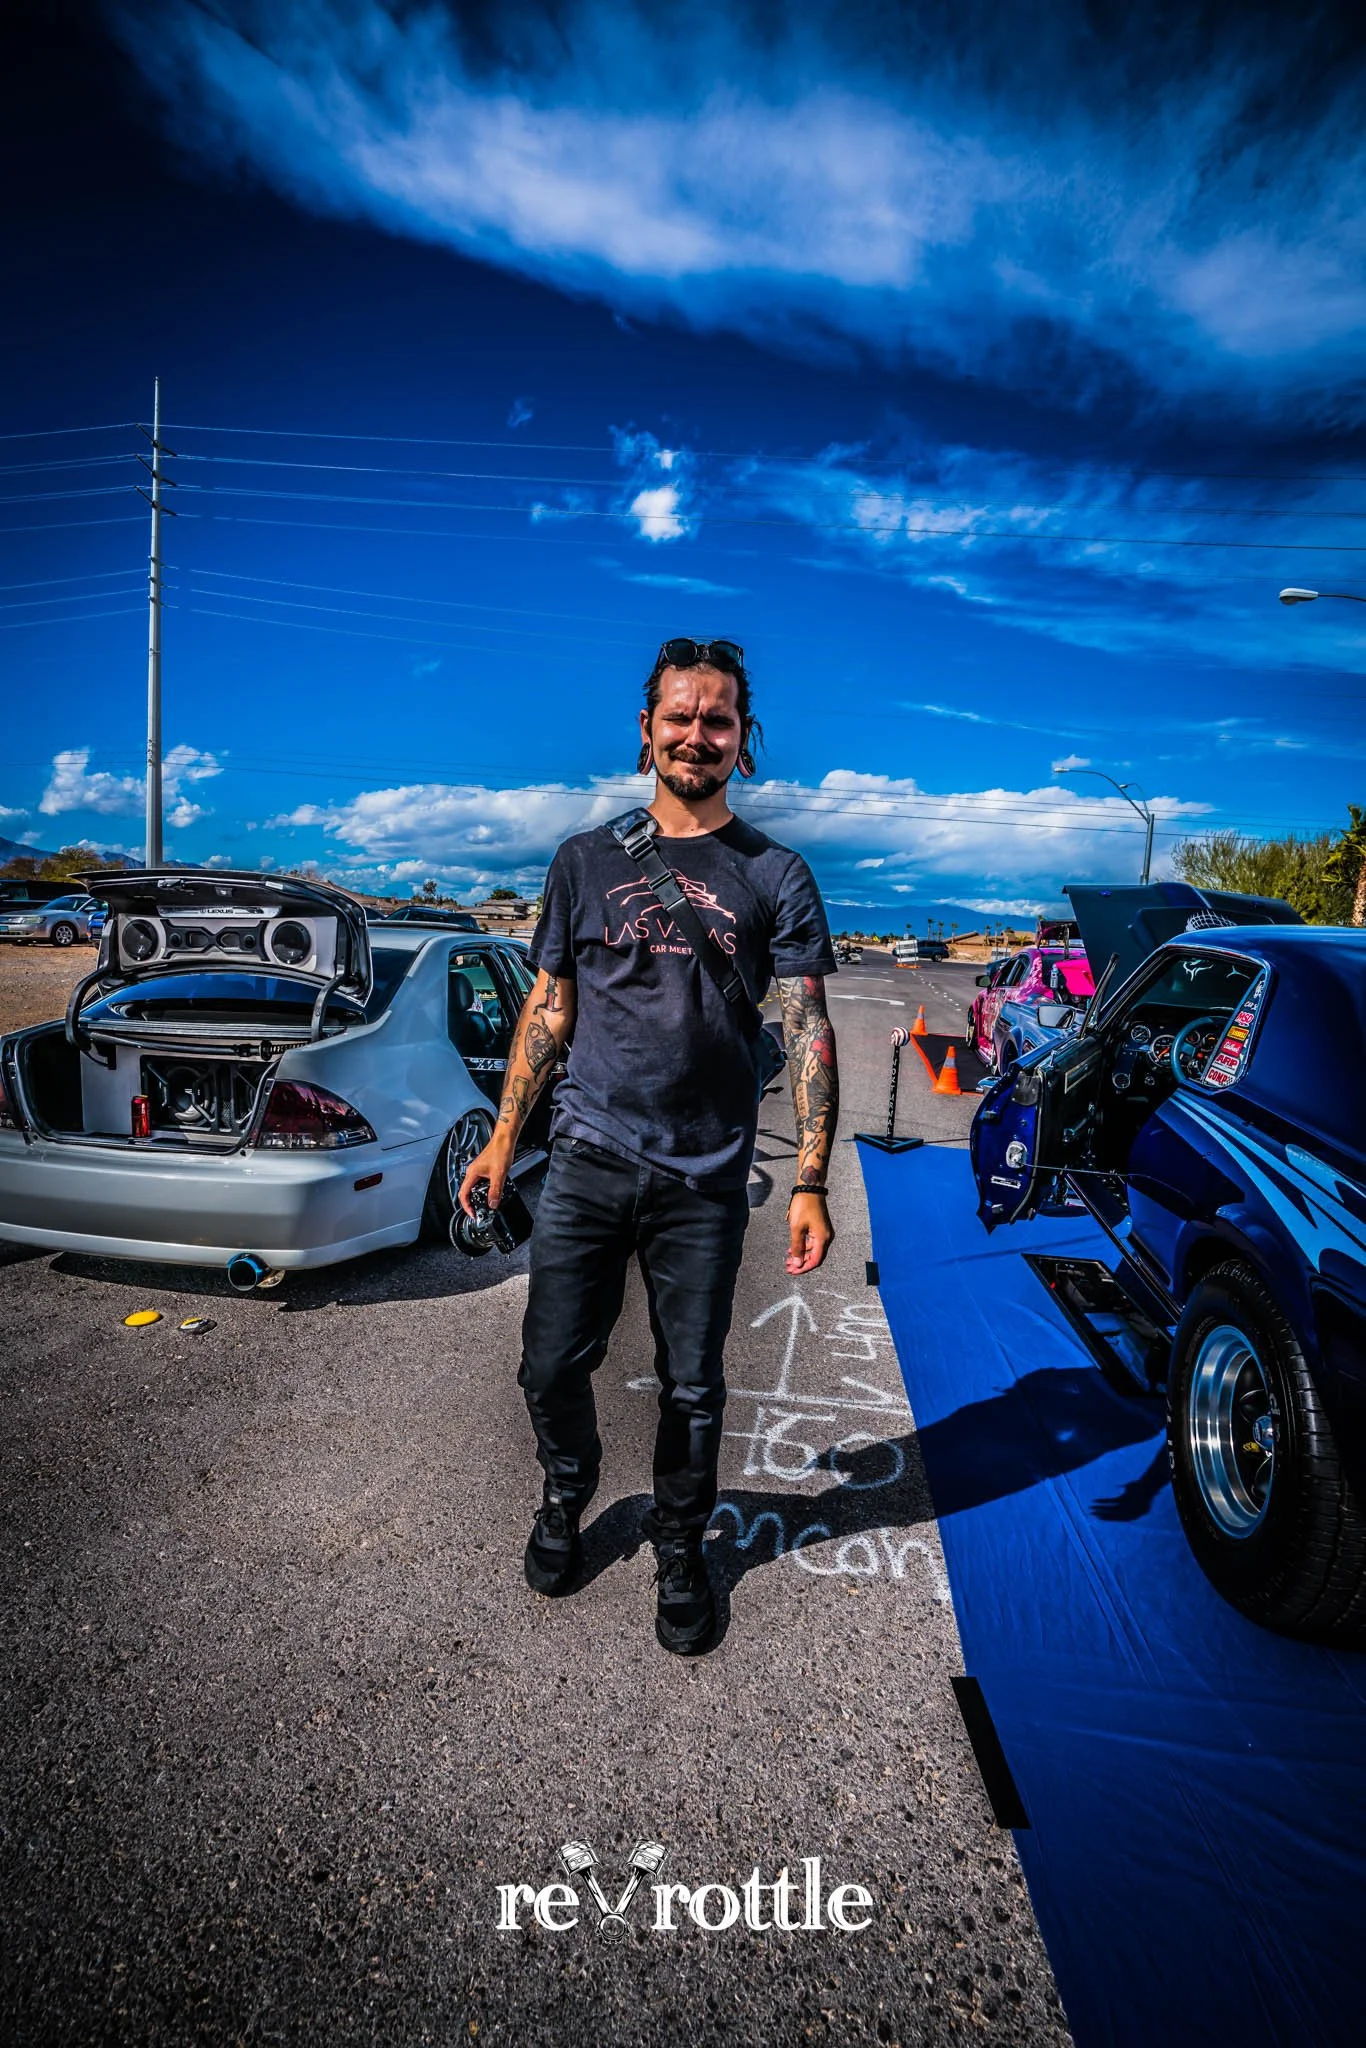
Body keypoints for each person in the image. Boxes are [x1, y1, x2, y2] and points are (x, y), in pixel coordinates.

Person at [458, 637, 839, 1655]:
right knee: (549, 1363)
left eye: (718, 719)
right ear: (646, 729)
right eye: (680, 715)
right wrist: (502, 1138)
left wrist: (808, 1180)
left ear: (743, 739)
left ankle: (679, 1546)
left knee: (693, 1384)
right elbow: (550, 1006)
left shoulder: (775, 872)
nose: (696, 735)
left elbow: (806, 1026)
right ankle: (567, 1488)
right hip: (586, 1153)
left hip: (706, 1173)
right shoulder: (584, 859)